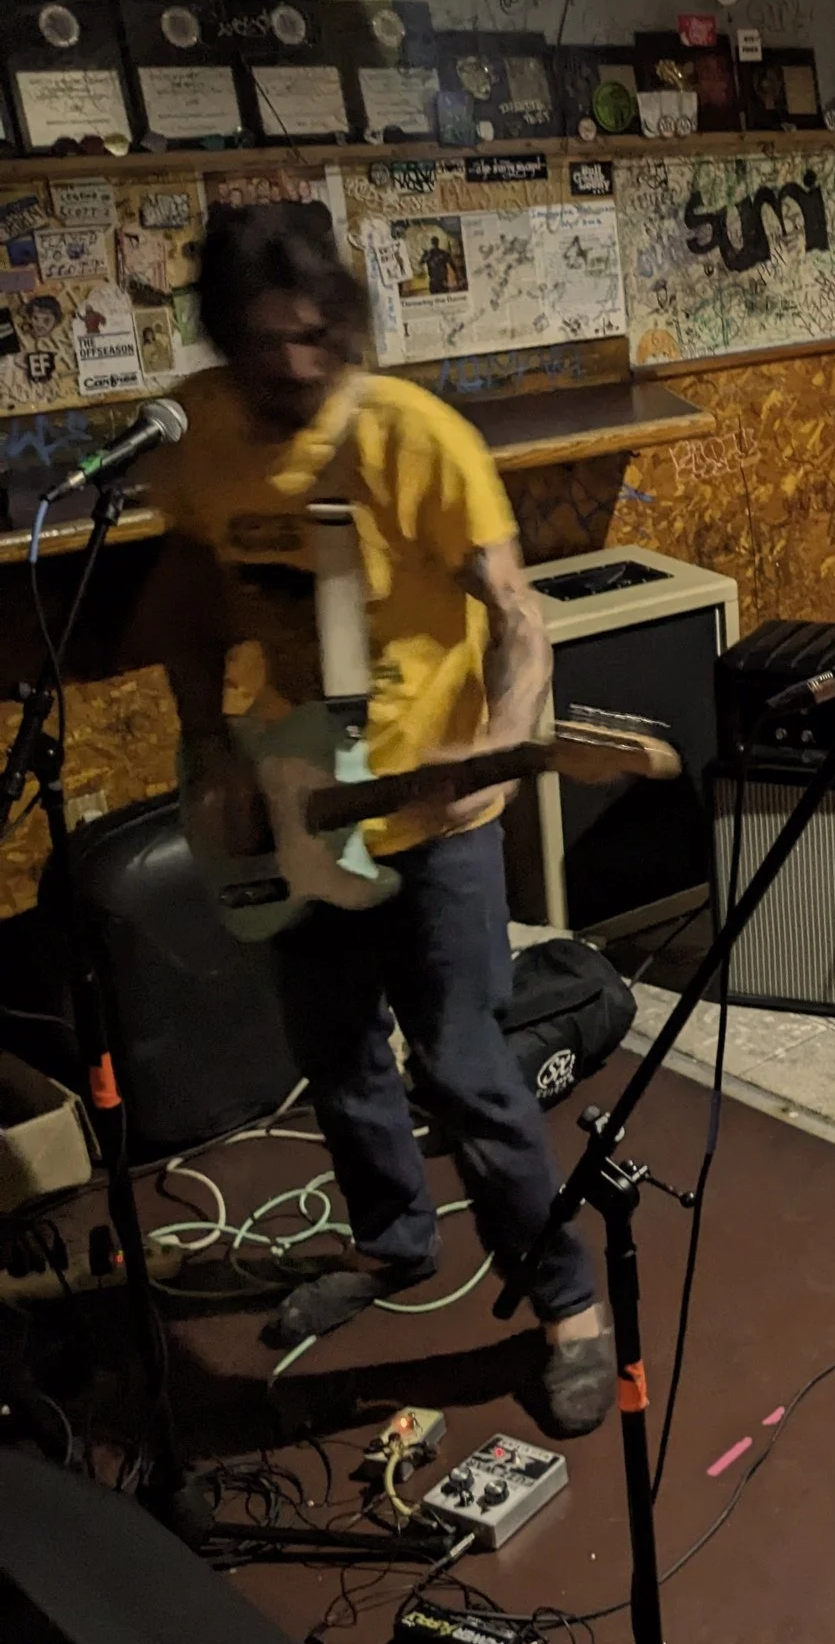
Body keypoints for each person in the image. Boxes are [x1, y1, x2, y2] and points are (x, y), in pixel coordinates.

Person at [148, 202, 611, 1438]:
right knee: (337, 1054)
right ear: (224, 339)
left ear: (345, 325)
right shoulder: (197, 434)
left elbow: (517, 614)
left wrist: (497, 740)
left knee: (465, 1069)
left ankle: (567, 1303)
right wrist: (211, 745)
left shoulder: (413, 437)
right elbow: (190, 604)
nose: (294, 365)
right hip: (293, 801)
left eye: (314, 337)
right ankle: (393, 1240)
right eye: (264, 343)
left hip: (429, 815)